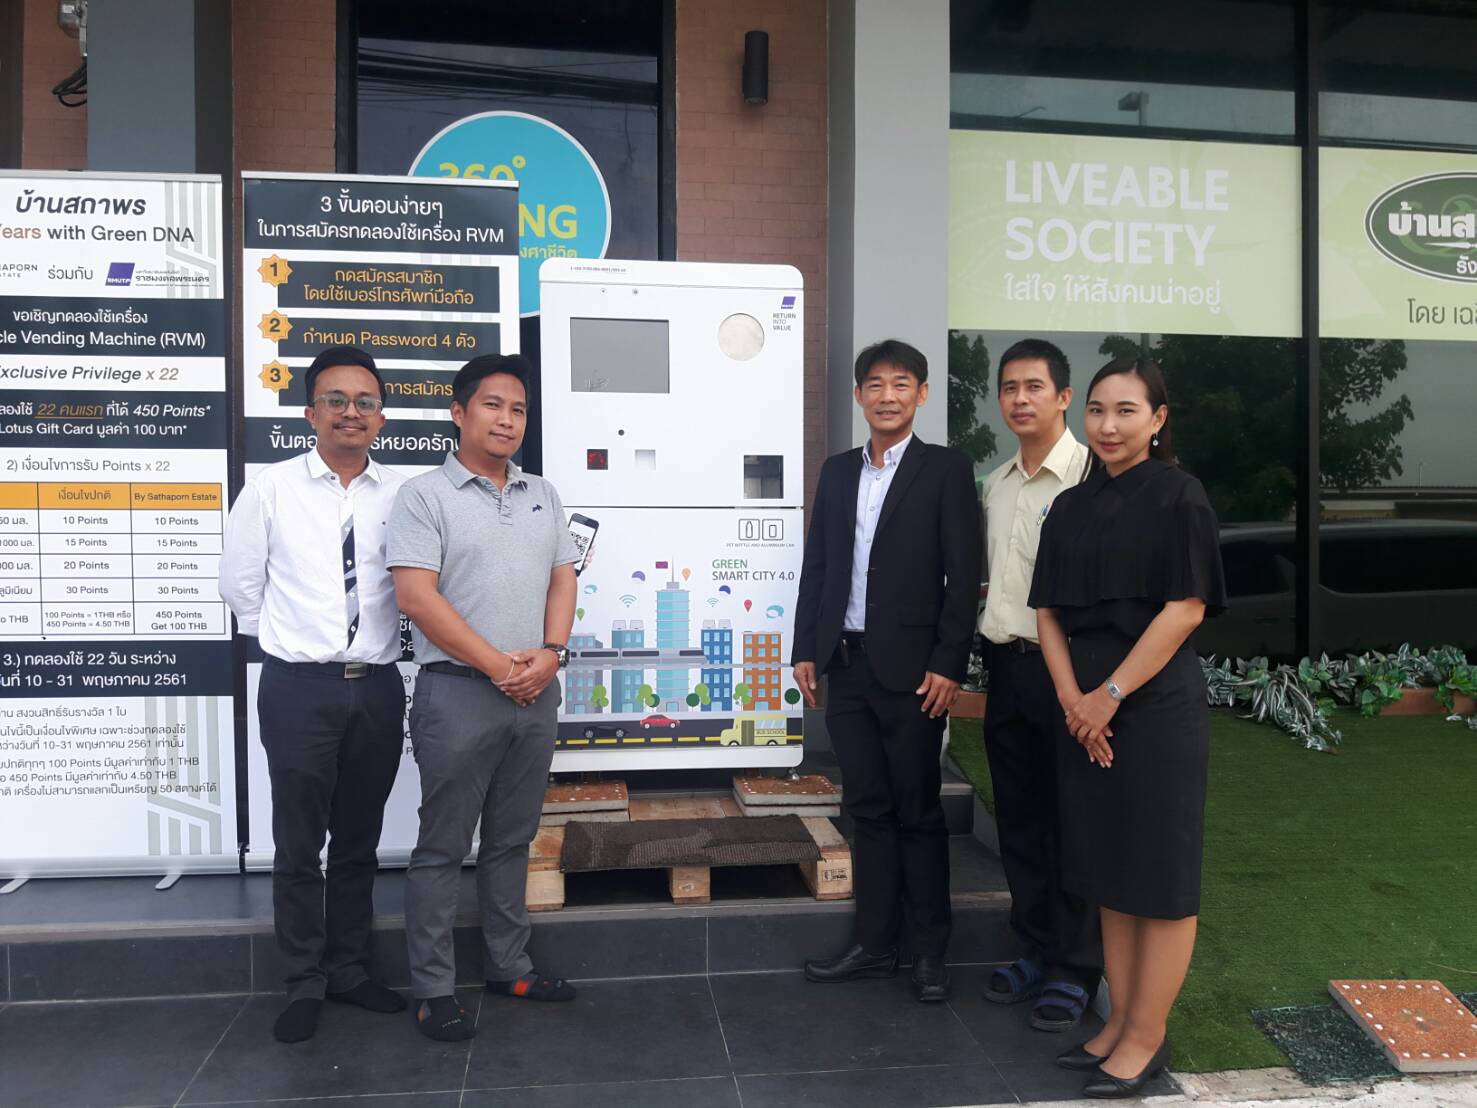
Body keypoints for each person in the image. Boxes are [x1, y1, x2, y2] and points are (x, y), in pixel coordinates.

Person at [1028, 357, 1227, 1098]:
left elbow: (1186, 608)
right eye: (1097, 411)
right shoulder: (1069, 506)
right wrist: (1073, 701)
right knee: (1110, 873)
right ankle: (1117, 1023)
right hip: (1086, 711)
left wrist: (1107, 696)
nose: (1107, 426)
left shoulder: (1180, 496)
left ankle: (1146, 1036)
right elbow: (1047, 613)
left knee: (1159, 877)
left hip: (1153, 709)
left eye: (1126, 411)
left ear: (1158, 419)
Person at [387, 353, 579, 1042]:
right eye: (493, 405)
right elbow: (416, 597)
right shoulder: (422, 496)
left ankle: (509, 966)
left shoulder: (542, 493)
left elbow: (563, 577)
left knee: (511, 840)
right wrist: (502, 666)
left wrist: (550, 653)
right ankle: (433, 989)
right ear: (458, 412)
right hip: (458, 695)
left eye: (518, 409)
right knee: (441, 848)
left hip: (535, 693)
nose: (507, 419)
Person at [219, 346, 407, 1043]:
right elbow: (240, 586)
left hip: (378, 686)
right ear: (310, 412)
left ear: (380, 417)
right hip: (298, 687)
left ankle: (350, 969)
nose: (350, 412)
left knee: (359, 840)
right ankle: (303, 979)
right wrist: (291, 642)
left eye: (364, 401)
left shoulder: (404, 494)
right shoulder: (271, 488)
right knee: (299, 844)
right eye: (335, 399)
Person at [792, 339, 982, 1002]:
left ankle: (928, 952)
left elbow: (963, 574)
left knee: (918, 811)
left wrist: (948, 662)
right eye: (875, 384)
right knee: (867, 808)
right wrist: (806, 648)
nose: (887, 396)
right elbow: (819, 565)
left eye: (901, 384)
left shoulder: (945, 469)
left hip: (914, 674)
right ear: (858, 395)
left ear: (921, 394)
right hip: (846, 666)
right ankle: (874, 943)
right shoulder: (838, 471)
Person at [978, 339, 1102, 1033]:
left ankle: (1076, 967)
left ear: (1063, 397)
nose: (1020, 399)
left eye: (1034, 386)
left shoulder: (1093, 479)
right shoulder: (994, 485)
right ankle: (1033, 947)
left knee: (1074, 822)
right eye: (1009, 388)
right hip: (1007, 670)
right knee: (1020, 820)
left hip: (1074, 678)